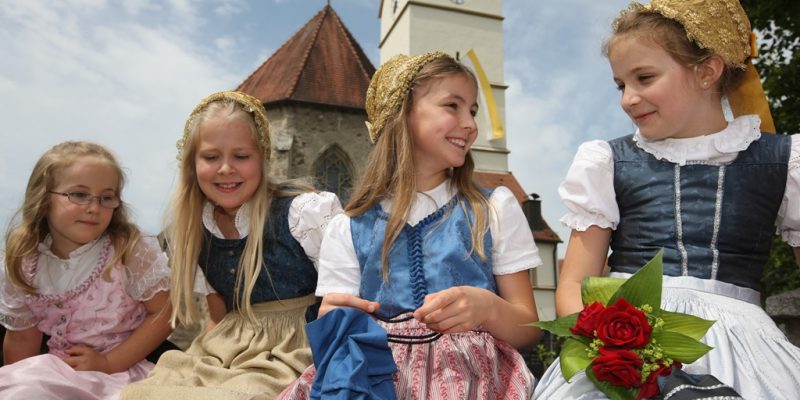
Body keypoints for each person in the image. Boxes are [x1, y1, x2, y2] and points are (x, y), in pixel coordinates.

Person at [534, 1, 800, 399]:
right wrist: (611, 345)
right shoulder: (608, 161)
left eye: (644, 77)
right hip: (623, 342)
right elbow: (573, 282)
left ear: (707, 71)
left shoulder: (782, 160)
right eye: (621, 84)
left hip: (742, 347)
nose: (628, 98)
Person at [279, 51, 542, 400]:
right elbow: (336, 325)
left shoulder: (492, 208)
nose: (471, 123)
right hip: (373, 378)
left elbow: (528, 326)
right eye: (453, 106)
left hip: (473, 380)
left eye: (473, 110)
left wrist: (487, 308)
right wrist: (334, 315)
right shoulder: (348, 227)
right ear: (401, 114)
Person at [121, 91, 342, 400]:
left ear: (263, 159)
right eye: (211, 157)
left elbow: (347, 294)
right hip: (231, 346)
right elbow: (219, 317)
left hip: (295, 346)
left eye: (241, 156)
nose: (226, 168)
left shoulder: (302, 214)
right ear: (192, 164)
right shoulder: (195, 231)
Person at [0, 141, 172, 399]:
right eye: (79, 195)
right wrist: (14, 383)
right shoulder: (24, 262)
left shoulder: (126, 250)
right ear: (44, 199)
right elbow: (22, 340)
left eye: (106, 197)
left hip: (125, 369)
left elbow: (165, 313)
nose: (94, 207)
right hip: (58, 373)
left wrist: (109, 364)